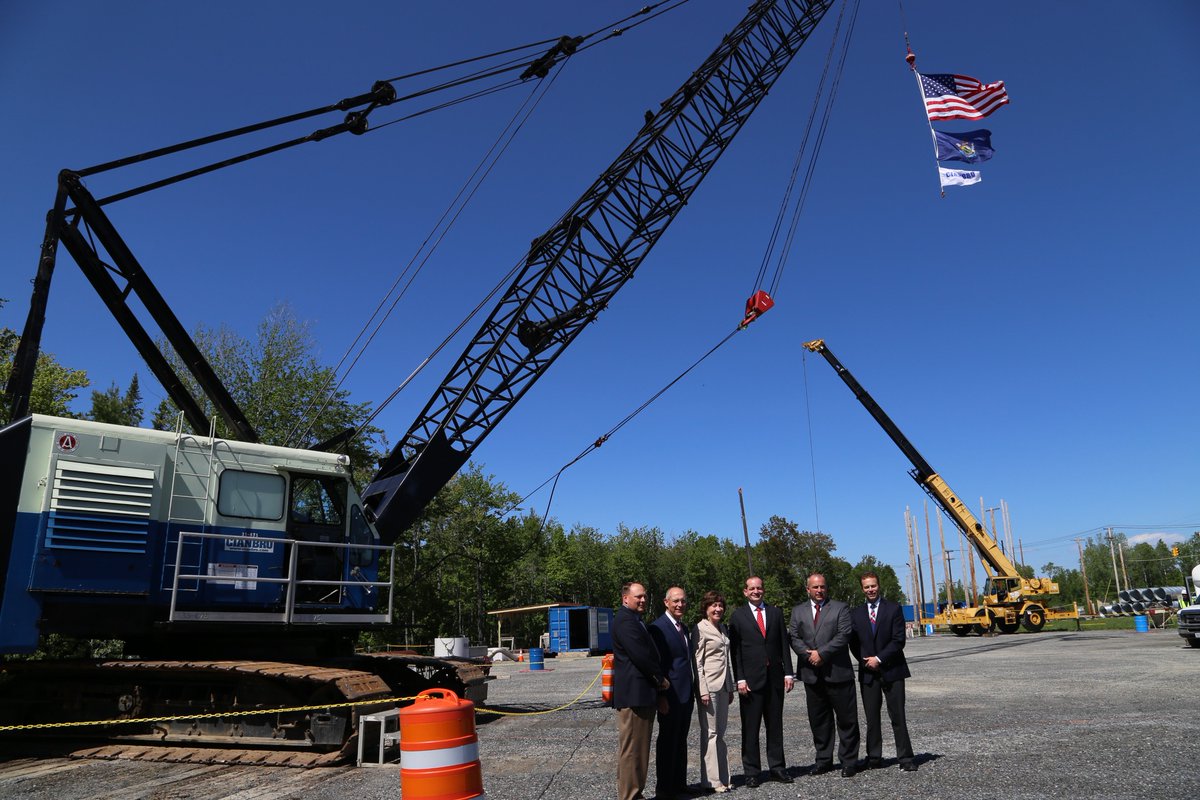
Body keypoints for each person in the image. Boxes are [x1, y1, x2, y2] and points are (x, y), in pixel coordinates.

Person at [788, 572, 860, 778]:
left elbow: (844, 634)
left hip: (838, 673)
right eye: (815, 587)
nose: (819, 590)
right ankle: (823, 760)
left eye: (822, 587)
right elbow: (794, 636)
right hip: (812, 674)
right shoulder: (798, 611)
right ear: (807, 589)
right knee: (819, 721)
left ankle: (849, 761)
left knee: (847, 720)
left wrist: (822, 653)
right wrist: (808, 655)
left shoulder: (840, 608)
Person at [727, 576, 794, 787]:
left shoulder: (775, 613)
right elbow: (735, 651)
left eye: (759, 588)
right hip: (750, 681)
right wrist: (740, 678)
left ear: (763, 590)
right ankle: (752, 772)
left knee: (775, 726)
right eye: (752, 589)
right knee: (751, 727)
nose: (756, 591)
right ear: (745, 592)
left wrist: (788, 673)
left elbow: (784, 643)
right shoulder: (737, 616)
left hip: (774, 678)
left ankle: (777, 768)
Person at [849, 571, 917, 772]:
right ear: (862, 589)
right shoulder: (856, 613)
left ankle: (905, 758)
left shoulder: (893, 608)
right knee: (872, 718)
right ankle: (874, 758)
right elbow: (853, 643)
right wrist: (866, 661)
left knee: (898, 716)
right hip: (868, 672)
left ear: (879, 586)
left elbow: (898, 640)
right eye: (866, 587)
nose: (870, 589)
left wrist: (879, 659)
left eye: (873, 586)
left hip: (893, 670)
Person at [612, 581, 669, 800]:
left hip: (641, 695)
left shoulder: (635, 620)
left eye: (644, 596)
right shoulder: (626, 621)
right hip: (635, 696)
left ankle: (634, 793)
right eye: (638, 597)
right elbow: (640, 655)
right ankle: (630, 795)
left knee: (638, 750)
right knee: (633, 751)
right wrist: (660, 680)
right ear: (625, 598)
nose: (643, 600)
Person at [649, 586, 697, 800]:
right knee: (667, 741)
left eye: (683, 601)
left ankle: (679, 784)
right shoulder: (658, 628)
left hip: (686, 695)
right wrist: (660, 696)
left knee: (681, 740)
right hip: (670, 696)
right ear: (666, 602)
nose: (680, 605)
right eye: (676, 601)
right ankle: (664, 788)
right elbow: (657, 666)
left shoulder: (683, 628)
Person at [692, 590, 735, 793]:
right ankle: (710, 780)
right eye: (713, 605)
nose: (718, 609)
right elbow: (697, 662)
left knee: (721, 733)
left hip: (724, 687)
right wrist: (702, 690)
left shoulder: (723, 628)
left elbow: (726, 660)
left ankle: (724, 777)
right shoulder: (700, 629)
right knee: (710, 733)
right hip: (708, 687)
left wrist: (731, 686)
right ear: (706, 608)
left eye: (720, 605)